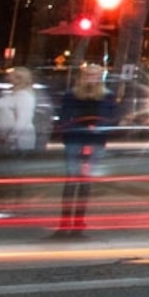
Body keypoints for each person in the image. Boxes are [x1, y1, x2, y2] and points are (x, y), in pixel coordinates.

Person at [52, 67, 111, 234]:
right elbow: (64, 117)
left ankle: (78, 221)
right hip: (75, 139)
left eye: (95, 75)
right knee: (72, 179)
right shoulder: (72, 95)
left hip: (95, 141)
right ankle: (65, 221)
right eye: (89, 75)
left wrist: (98, 128)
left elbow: (110, 118)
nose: (91, 78)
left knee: (85, 182)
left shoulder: (106, 95)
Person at [0, 68, 44, 207]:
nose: (8, 77)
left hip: (14, 143)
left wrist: (11, 138)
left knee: (10, 173)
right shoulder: (8, 94)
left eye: (12, 76)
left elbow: (23, 120)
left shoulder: (25, 97)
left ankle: (10, 203)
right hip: (0, 141)